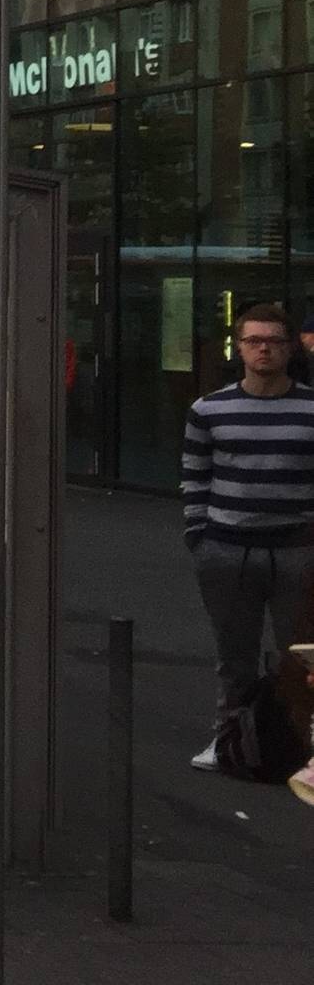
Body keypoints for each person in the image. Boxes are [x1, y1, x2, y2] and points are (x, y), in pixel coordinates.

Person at [181, 303, 314, 772]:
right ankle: (229, 742)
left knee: (301, 658)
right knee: (233, 658)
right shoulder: (209, 409)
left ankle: (303, 749)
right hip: (225, 549)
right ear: (238, 348)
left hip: (297, 550)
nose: (263, 349)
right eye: (254, 341)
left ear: (289, 347)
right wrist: (198, 535)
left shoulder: (310, 409)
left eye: (274, 341)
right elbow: (195, 476)